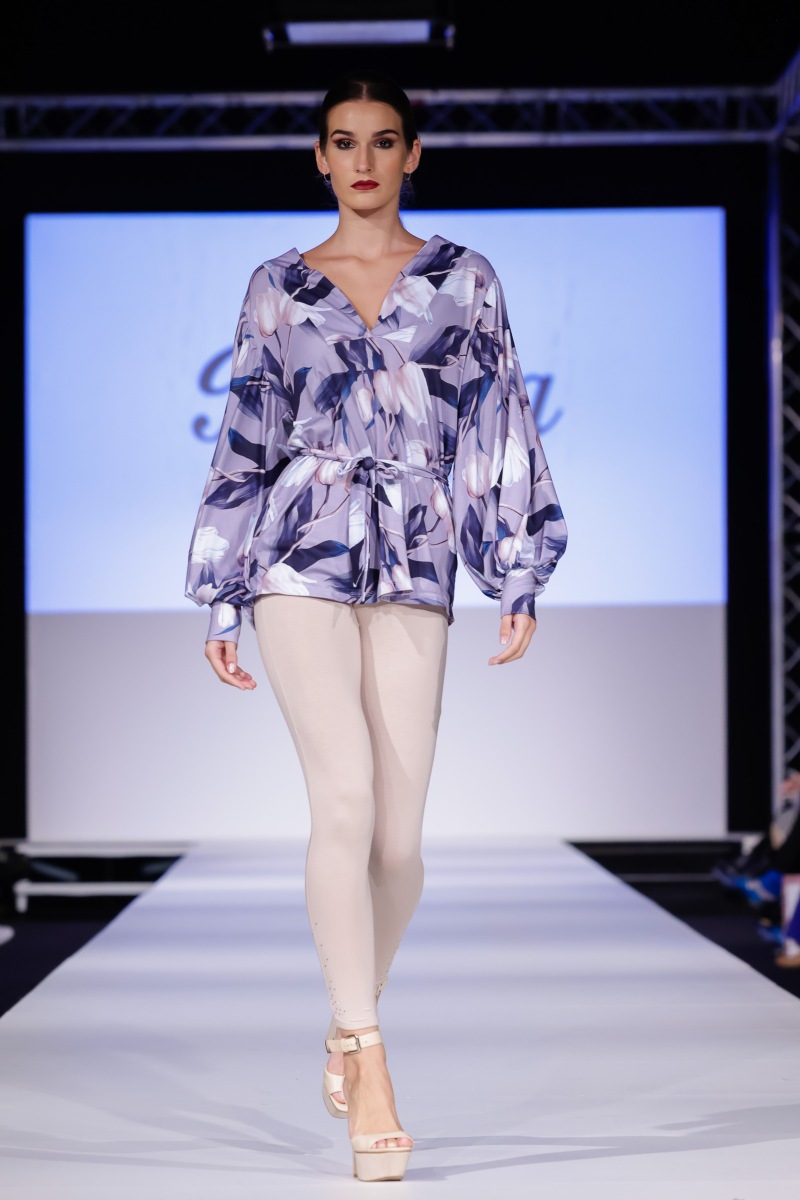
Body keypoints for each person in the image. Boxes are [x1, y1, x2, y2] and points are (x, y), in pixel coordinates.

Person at [185, 68, 567, 1183]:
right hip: (294, 552)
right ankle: (369, 1055)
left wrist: (518, 570)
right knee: (343, 800)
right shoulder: (276, 286)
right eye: (343, 141)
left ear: (412, 155)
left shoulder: (464, 280)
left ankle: (342, 1018)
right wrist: (220, 584)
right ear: (319, 158)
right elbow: (245, 435)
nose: (362, 160)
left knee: (399, 843)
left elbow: (500, 423)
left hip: (417, 548)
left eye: (383, 140)